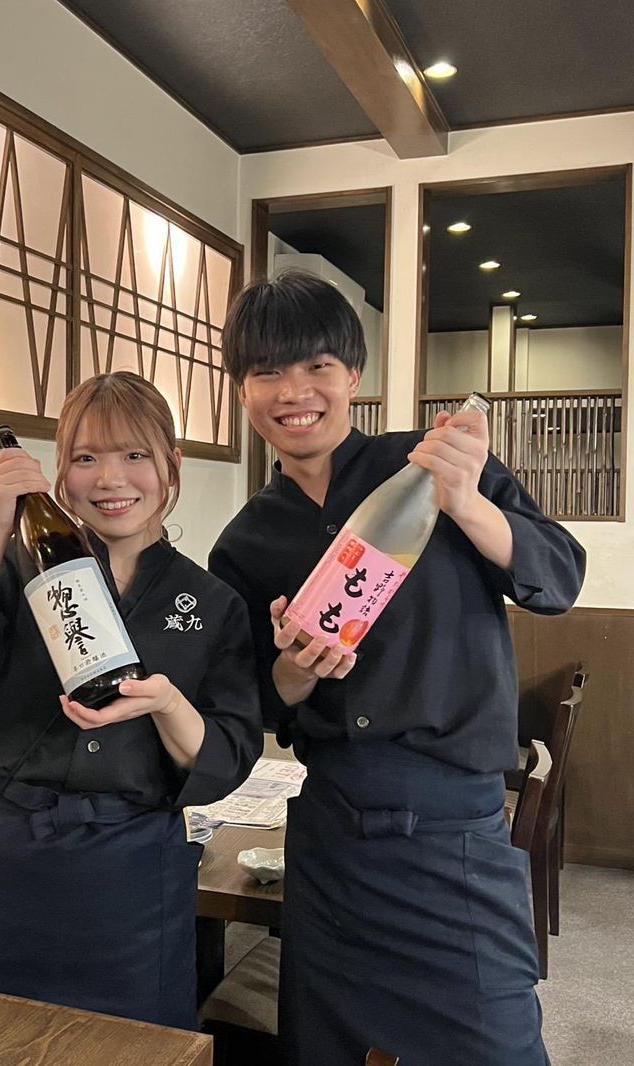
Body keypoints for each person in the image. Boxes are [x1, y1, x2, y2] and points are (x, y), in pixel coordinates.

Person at [208, 270, 586, 1066]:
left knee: (497, 1048)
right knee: (327, 1051)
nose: (294, 392)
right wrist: (297, 672)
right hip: (331, 836)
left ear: (353, 375)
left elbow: (558, 578)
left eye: (316, 366)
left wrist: (467, 501)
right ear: (242, 391)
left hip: (455, 828)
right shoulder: (245, 542)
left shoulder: (428, 469)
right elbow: (262, 703)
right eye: (267, 372)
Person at [0, 370, 262, 1030]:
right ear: (60, 474)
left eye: (134, 455)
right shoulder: (12, 570)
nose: (110, 480)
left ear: (172, 464)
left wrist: (167, 704)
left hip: (128, 875)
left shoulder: (210, 602)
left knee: (134, 1049)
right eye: (86, 459)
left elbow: (226, 758)